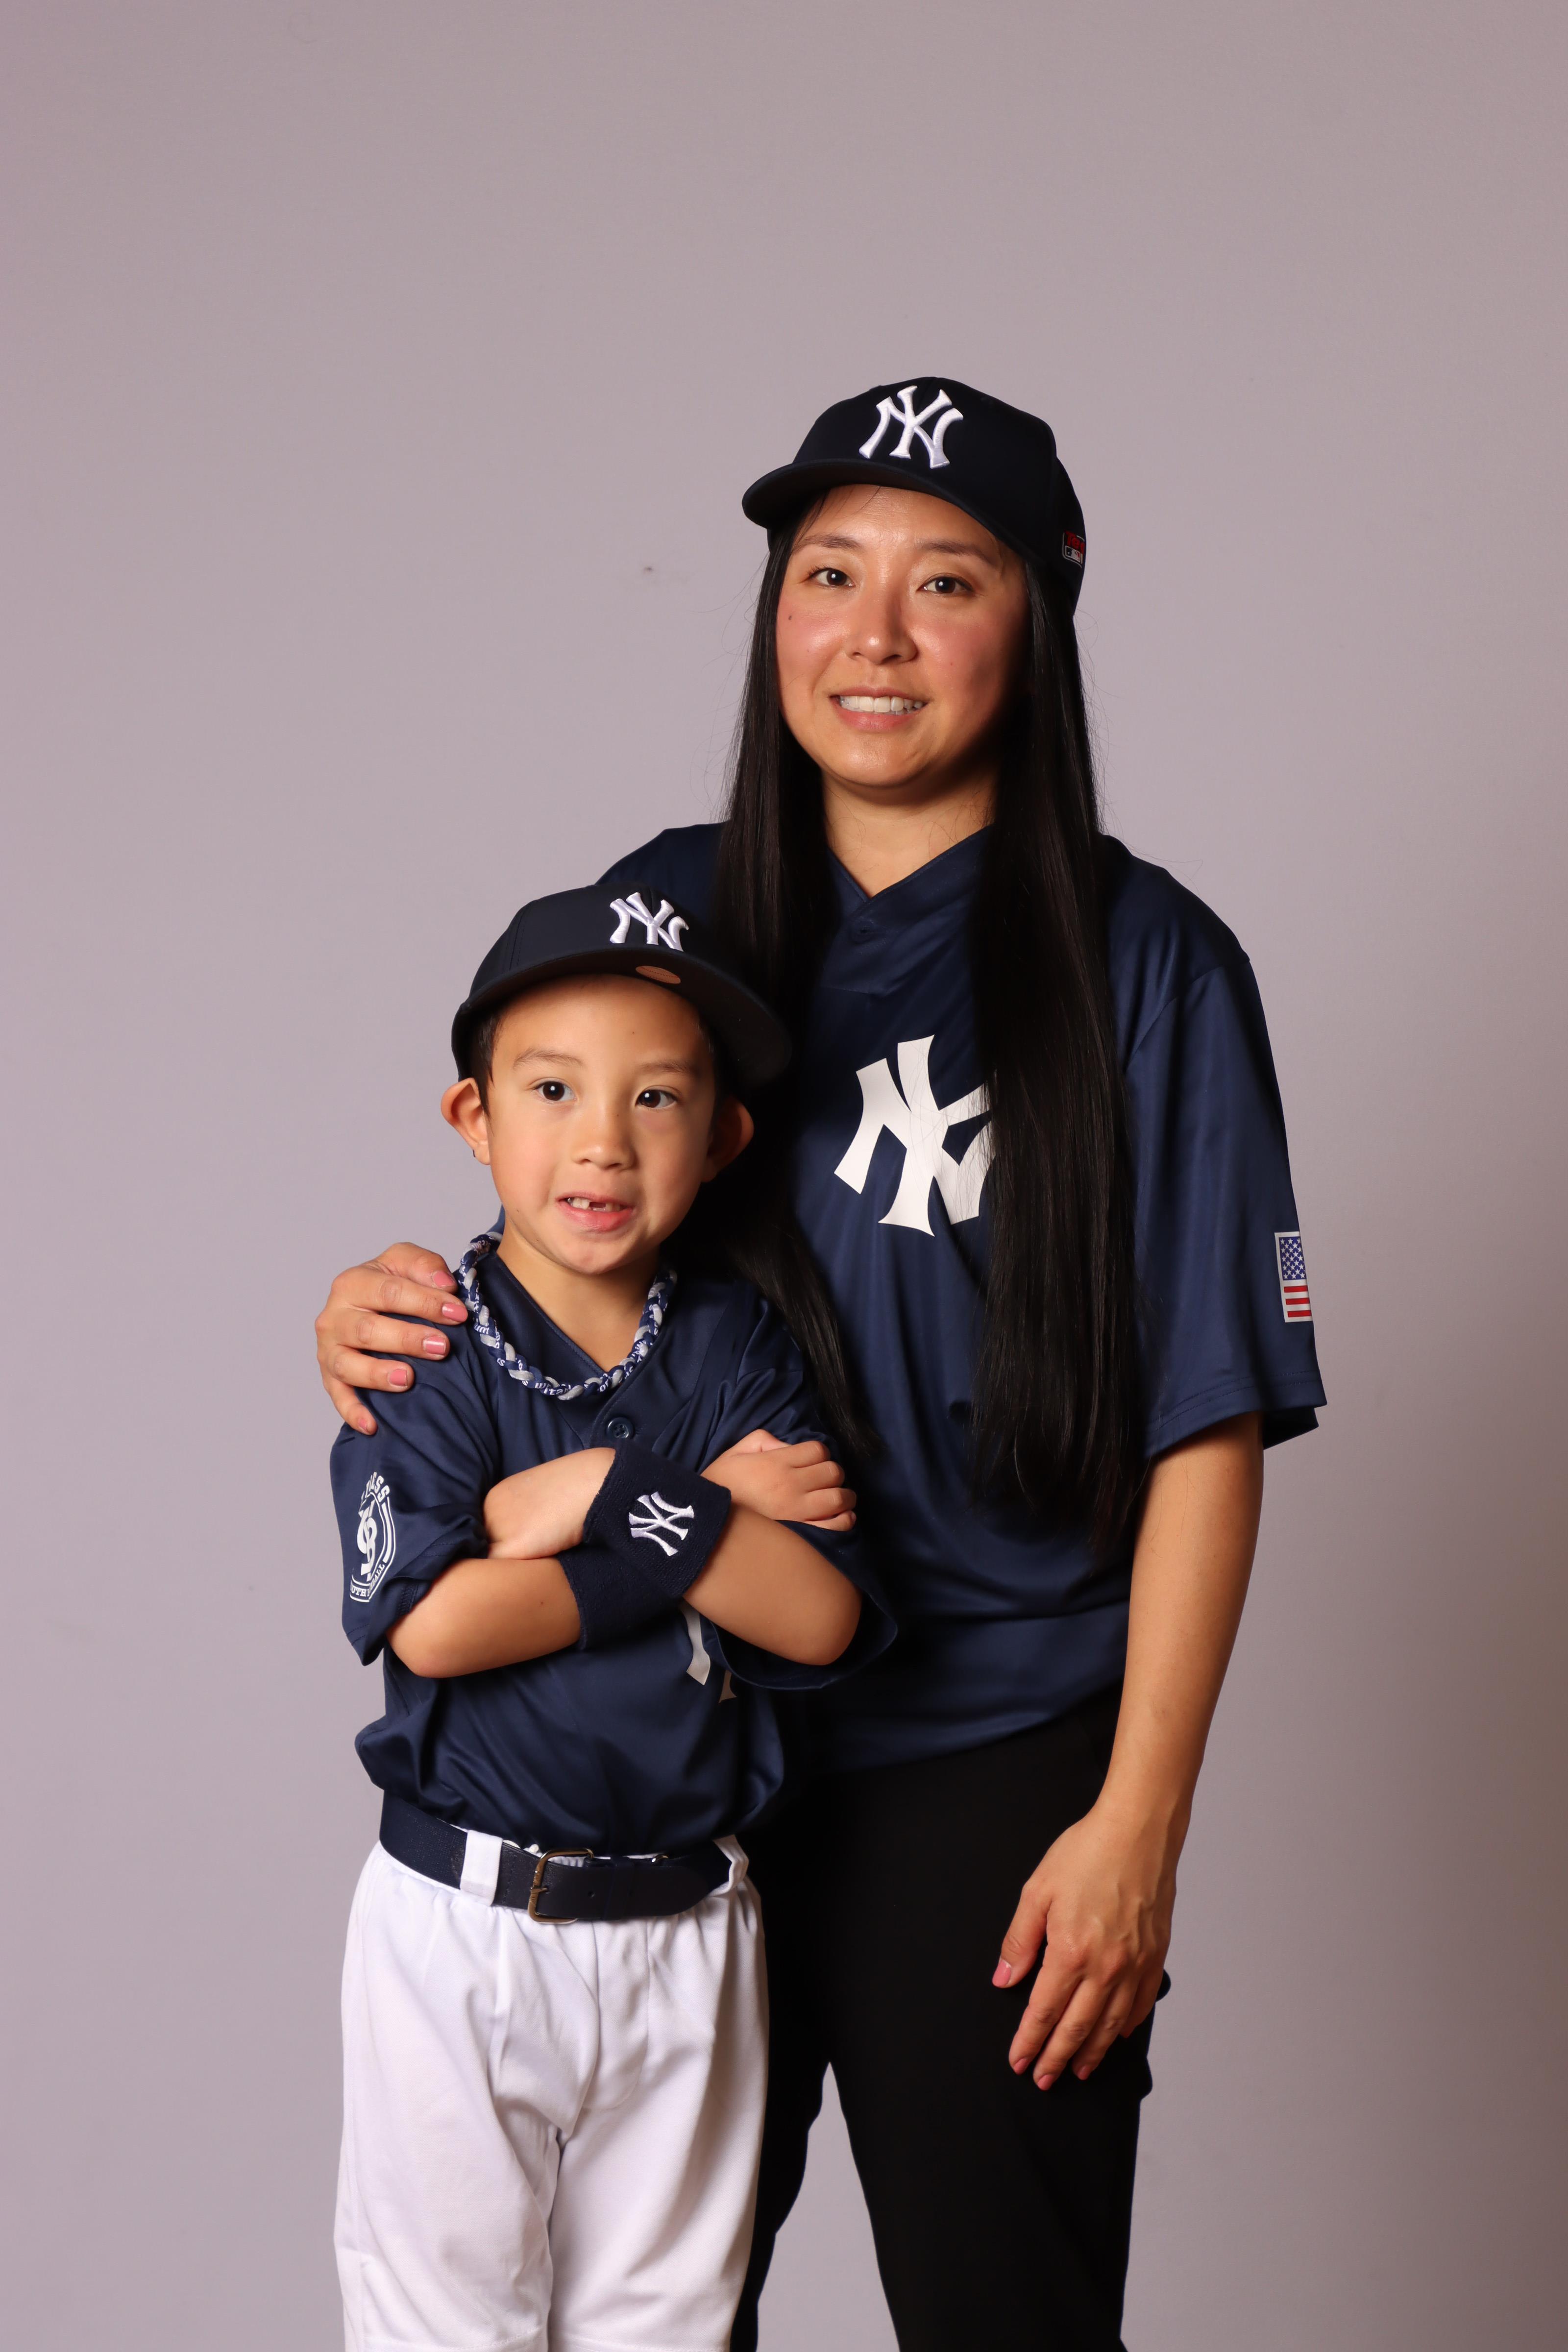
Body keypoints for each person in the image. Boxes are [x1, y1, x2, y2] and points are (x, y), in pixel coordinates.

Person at [316, 379, 1325, 2352]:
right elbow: (548, 1234)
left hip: (998, 1755)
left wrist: (1137, 1824)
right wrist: (371, 1306)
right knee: (620, 2327)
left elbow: (1207, 1425)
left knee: (1007, 2319)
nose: (872, 635)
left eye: (944, 582)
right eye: (824, 574)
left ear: (1038, 615)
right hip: (664, 1740)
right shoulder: (670, 911)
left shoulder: (1149, 961)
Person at [329, 883, 891, 2352]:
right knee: (447, 2327)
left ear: (723, 1138)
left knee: (667, 2331)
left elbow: (818, 1618)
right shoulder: (425, 1341)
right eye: (553, 1090)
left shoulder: (734, 1342)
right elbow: (439, 1627)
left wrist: (607, 1489)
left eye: (656, 1098)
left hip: (691, 1930)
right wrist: (701, 1519)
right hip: (469, 1927)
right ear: (474, 1116)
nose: (602, 1140)